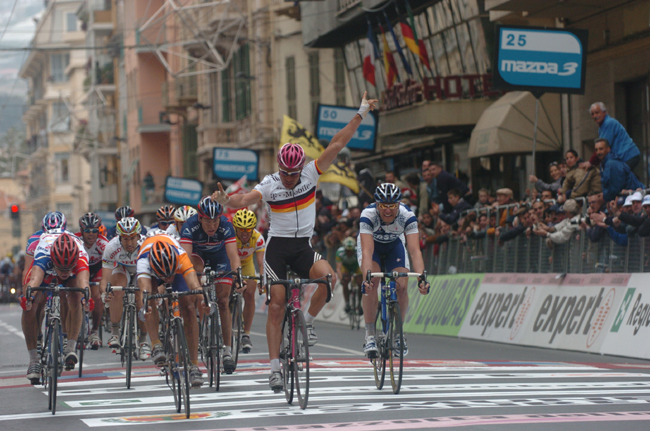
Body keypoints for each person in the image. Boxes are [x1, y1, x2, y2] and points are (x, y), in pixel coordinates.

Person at [212, 91, 378, 392]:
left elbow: (338, 143)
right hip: (277, 249)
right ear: (279, 168)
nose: (289, 178)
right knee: (276, 306)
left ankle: (308, 321)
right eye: (285, 173)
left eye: (294, 174)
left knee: (330, 279)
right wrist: (227, 201)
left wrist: (361, 112)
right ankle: (274, 369)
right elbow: (246, 198)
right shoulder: (271, 184)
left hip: (303, 247)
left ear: (301, 168)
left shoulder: (311, 175)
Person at [358, 183, 430, 359]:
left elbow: (414, 250)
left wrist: (422, 278)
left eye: (392, 206)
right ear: (376, 205)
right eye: (383, 206)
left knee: (402, 286)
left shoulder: (408, 216)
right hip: (372, 248)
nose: (388, 211)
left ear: (399, 204)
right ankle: (370, 336)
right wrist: (366, 278)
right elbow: (367, 251)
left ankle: (398, 334)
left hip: (394, 248)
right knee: (372, 282)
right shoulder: (368, 215)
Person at [137, 231, 207, 387]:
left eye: (170, 275)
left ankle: (194, 366)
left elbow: (195, 286)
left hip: (175, 262)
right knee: (149, 300)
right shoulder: (143, 261)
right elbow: (145, 291)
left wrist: (205, 302)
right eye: (165, 276)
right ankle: (156, 345)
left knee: (189, 305)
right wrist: (145, 307)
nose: (168, 279)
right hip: (152, 266)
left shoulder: (181, 257)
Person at [180, 196, 241, 374]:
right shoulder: (190, 226)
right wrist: (192, 280)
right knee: (195, 282)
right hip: (197, 257)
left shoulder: (226, 225)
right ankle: (201, 318)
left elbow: (233, 256)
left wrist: (238, 275)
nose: (212, 225)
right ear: (200, 218)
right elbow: (185, 258)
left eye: (215, 220)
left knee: (223, 301)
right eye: (208, 221)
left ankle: (228, 351)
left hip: (220, 257)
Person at [22, 233, 90, 382]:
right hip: (46, 269)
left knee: (77, 295)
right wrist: (29, 297)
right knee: (29, 304)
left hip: (71, 262)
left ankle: (70, 347)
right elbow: (35, 279)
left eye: (68, 269)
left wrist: (87, 297)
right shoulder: (43, 254)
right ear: (53, 260)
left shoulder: (81, 256)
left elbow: (83, 282)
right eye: (61, 269)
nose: (65, 273)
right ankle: (33, 361)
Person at [100, 217, 149, 358]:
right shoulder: (112, 247)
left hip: (141, 269)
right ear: (119, 237)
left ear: (139, 235)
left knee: (142, 300)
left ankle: (144, 340)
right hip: (122, 268)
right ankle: (115, 332)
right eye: (125, 239)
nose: (129, 243)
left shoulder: (146, 244)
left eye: (132, 238)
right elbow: (105, 278)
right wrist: (105, 293)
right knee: (116, 289)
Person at [232, 209, 265, 353]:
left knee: (250, 294)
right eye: (241, 230)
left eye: (248, 230)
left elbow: (261, 263)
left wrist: (262, 280)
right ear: (235, 229)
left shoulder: (258, 238)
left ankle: (246, 333)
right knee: (227, 295)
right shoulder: (230, 237)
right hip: (230, 264)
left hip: (246, 265)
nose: (245, 234)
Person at [75, 212, 109, 349]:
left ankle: (95, 331)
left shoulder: (103, 244)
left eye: (95, 231)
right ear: (81, 231)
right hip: (80, 268)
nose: (91, 234)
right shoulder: (76, 241)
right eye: (87, 231)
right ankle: (76, 328)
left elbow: (110, 265)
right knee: (76, 295)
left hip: (97, 269)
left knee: (96, 296)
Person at [582, 102, 641, 171]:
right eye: (592, 114)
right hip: (623, 158)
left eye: (597, 112)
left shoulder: (609, 123)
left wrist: (591, 162)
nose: (595, 116)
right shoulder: (601, 128)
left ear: (604, 112)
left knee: (619, 176)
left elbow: (602, 147)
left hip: (628, 156)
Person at [336, 236, 363, 314]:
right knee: (345, 281)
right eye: (347, 250)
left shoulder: (358, 251)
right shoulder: (340, 252)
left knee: (360, 283)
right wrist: (341, 279)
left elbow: (362, 265)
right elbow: (338, 268)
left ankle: (359, 304)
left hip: (356, 267)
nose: (349, 253)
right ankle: (347, 303)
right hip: (346, 267)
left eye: (351, 251)